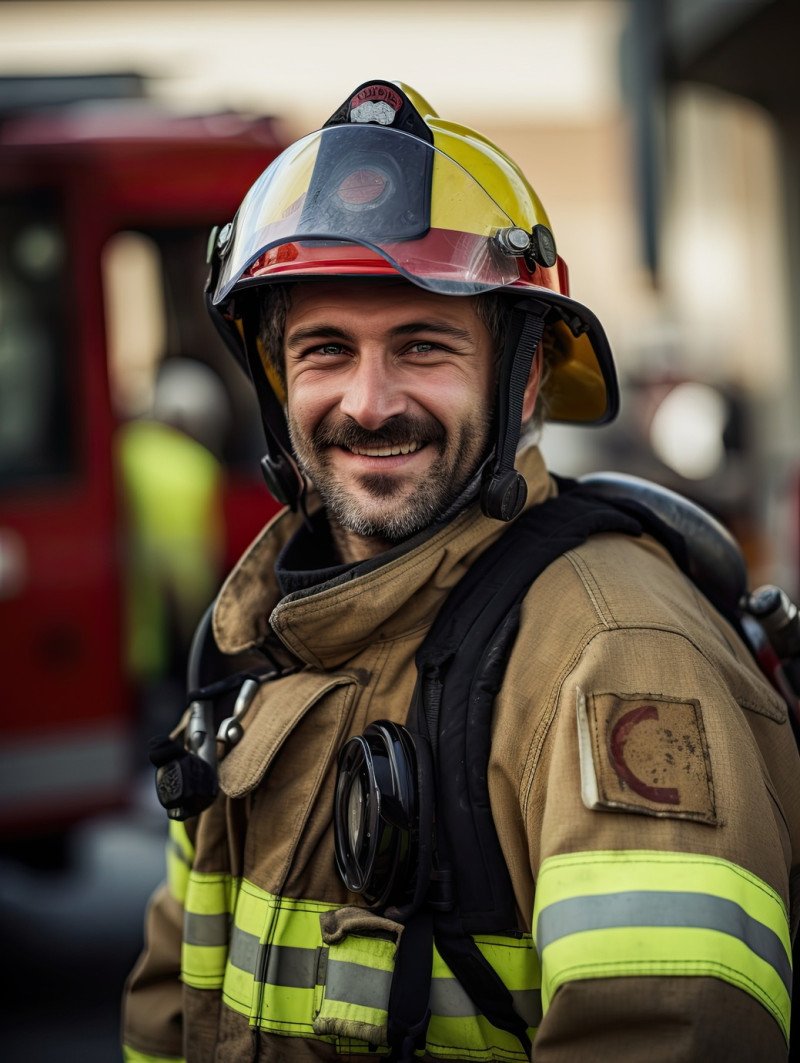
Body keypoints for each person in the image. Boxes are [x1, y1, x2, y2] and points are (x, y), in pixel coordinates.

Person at [122, 80, 800, 1062]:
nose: (366, 400)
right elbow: (164, 1015)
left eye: (421, 344)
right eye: (323, 349)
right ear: (275, 381)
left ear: (523, 376)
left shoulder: (615, 656)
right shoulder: (256, 648)